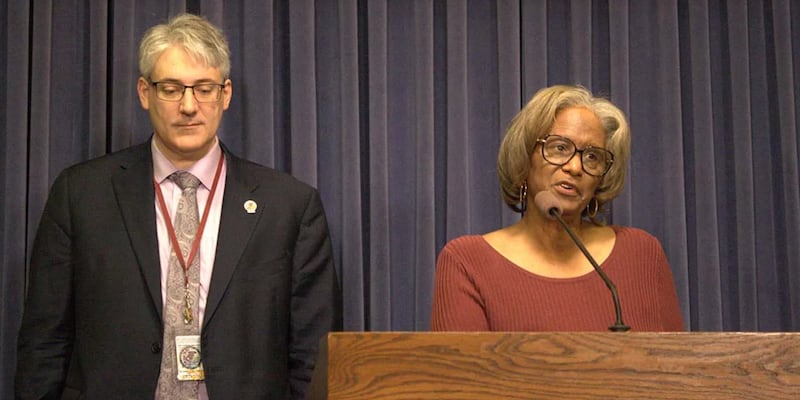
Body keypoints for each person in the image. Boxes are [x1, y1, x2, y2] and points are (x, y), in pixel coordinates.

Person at [15, 13, 341, 399]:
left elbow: (313, 359)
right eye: (171, 88)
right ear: (144, 92)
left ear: (226, 94)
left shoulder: (290, 206)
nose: (189, 106)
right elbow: (44, 344)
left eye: (204, 88)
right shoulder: (80, 195)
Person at [430, 84, 684, 332]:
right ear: (524, 157)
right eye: (560, 148)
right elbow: (460, 373)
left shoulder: (641, 254)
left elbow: (677, 368)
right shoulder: (468, 262)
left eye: (592, 156)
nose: (575, 167)